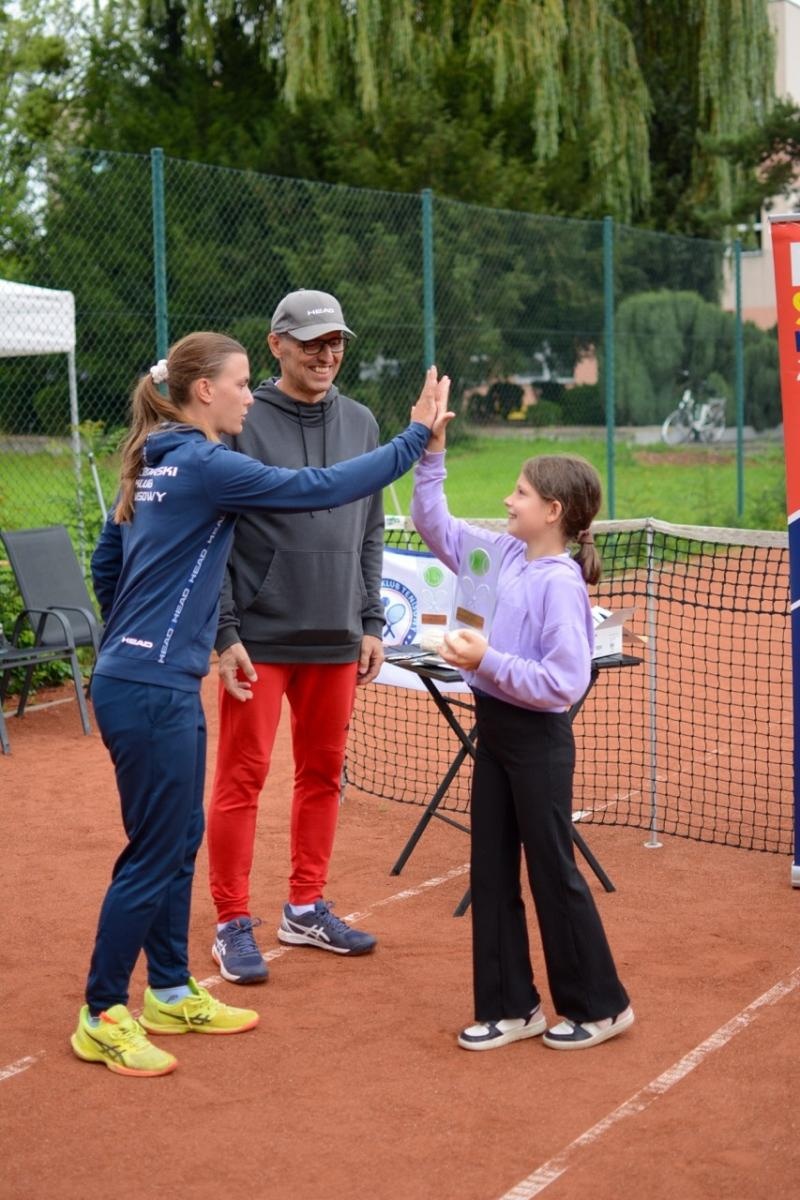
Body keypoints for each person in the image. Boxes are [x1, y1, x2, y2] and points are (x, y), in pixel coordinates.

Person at [70, 330, 442, 1077]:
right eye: (240, 384)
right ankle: (103, 1013)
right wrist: (415, 438)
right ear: (204, 391)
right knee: (153, 854)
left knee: (176, 844)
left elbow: (108, 563)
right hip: (151, 689)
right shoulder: (205, 462)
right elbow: (316, 491)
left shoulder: (152, 458)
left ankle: (171, 989)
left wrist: (157, 640)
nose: (250, 395)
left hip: (143, 678)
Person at [410, 390, 633, 1053]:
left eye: (520, 493)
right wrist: (432, 453)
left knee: (551, 873)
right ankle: (513, 1008)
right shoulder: (501, 556)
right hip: (497, 734)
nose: (509, 501)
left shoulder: (560, 583)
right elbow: (434, 524)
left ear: (553, 513)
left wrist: (488, 658)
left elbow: (564, 682)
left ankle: (601, 1006)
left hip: (537, 741)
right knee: (490, 870)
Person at [206, 290, 392, 981]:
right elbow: (215, 537)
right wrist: (225, 632)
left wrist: (370, 619)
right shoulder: (240, 421)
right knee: (241, 779)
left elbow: (371, 527)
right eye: (312, 341)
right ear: (276, 344)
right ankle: (231, 921)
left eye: (336, 341)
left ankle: (305, 906)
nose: (327, 354)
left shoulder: (364, 422)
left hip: (338, 636)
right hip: (259, 638)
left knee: (322, 776)